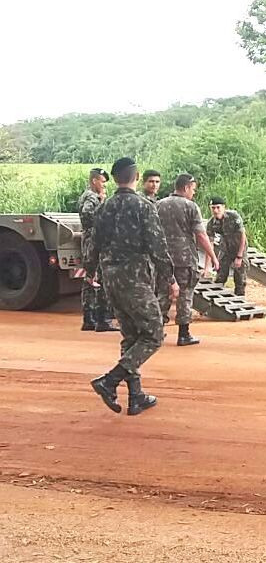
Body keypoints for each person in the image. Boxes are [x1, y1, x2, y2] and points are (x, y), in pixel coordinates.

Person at [86, 157, 177, 416]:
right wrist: (170, 279)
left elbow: (94, 243)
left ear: (114, 179)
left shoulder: (105, 207)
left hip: (111, 280)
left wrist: (90, 271)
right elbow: (158, 247)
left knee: (131, 336)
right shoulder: (144, 206)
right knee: (154, 334)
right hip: (135, 279)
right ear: (136, 177)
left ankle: (135, 396)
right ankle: (110, 381)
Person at [156, 173, 219, 346]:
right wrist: (212, 255)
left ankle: (157, 332)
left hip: (163, 259)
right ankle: (184, 334)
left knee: (162, 293)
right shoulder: (190, 206)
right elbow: (200, 234)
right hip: (184, 260)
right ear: (185, 188)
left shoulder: (158, 205)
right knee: (185, 295)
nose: (194, 193)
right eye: (193, 189)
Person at [77, 168, 118, 333]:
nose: (103, 185)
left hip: (91, 240)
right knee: (99, 278)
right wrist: (102, 202)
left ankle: (90, 318)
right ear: (94, 181)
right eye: (102, 181)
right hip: (94, 240)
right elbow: (89, 216)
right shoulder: (91, 197)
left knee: (90, 278)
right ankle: (102, 319)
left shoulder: (89, 196)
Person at [207, 197, 248, 297]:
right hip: (225, 250)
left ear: (224, 207)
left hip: (239, 248)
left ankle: (239, 301)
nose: (216, 210)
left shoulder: (233, 217)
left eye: (218, 207)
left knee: (240, 279)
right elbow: (209, 244)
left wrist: (239, 257)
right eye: (213, 208)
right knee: (220, 276)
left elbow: (242, 236)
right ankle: (215, 303)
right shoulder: (211, 223)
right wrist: (209, 264)